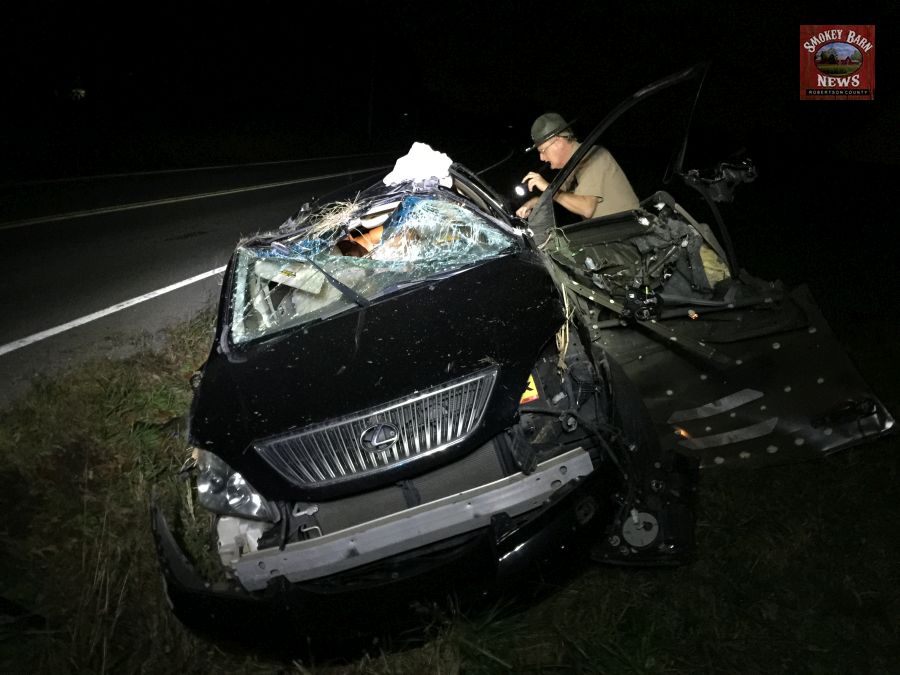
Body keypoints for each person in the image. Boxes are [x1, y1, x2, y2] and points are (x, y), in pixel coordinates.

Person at [515, 112, 639, 220]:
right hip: (609, 234)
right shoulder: (571, 167)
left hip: (632, 231)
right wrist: (529, 204)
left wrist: (548, 188)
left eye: (542, 151)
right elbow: (554, 195)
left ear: (558, 142)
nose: (542, 158)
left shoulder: (591, 155)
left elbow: (586, 209)